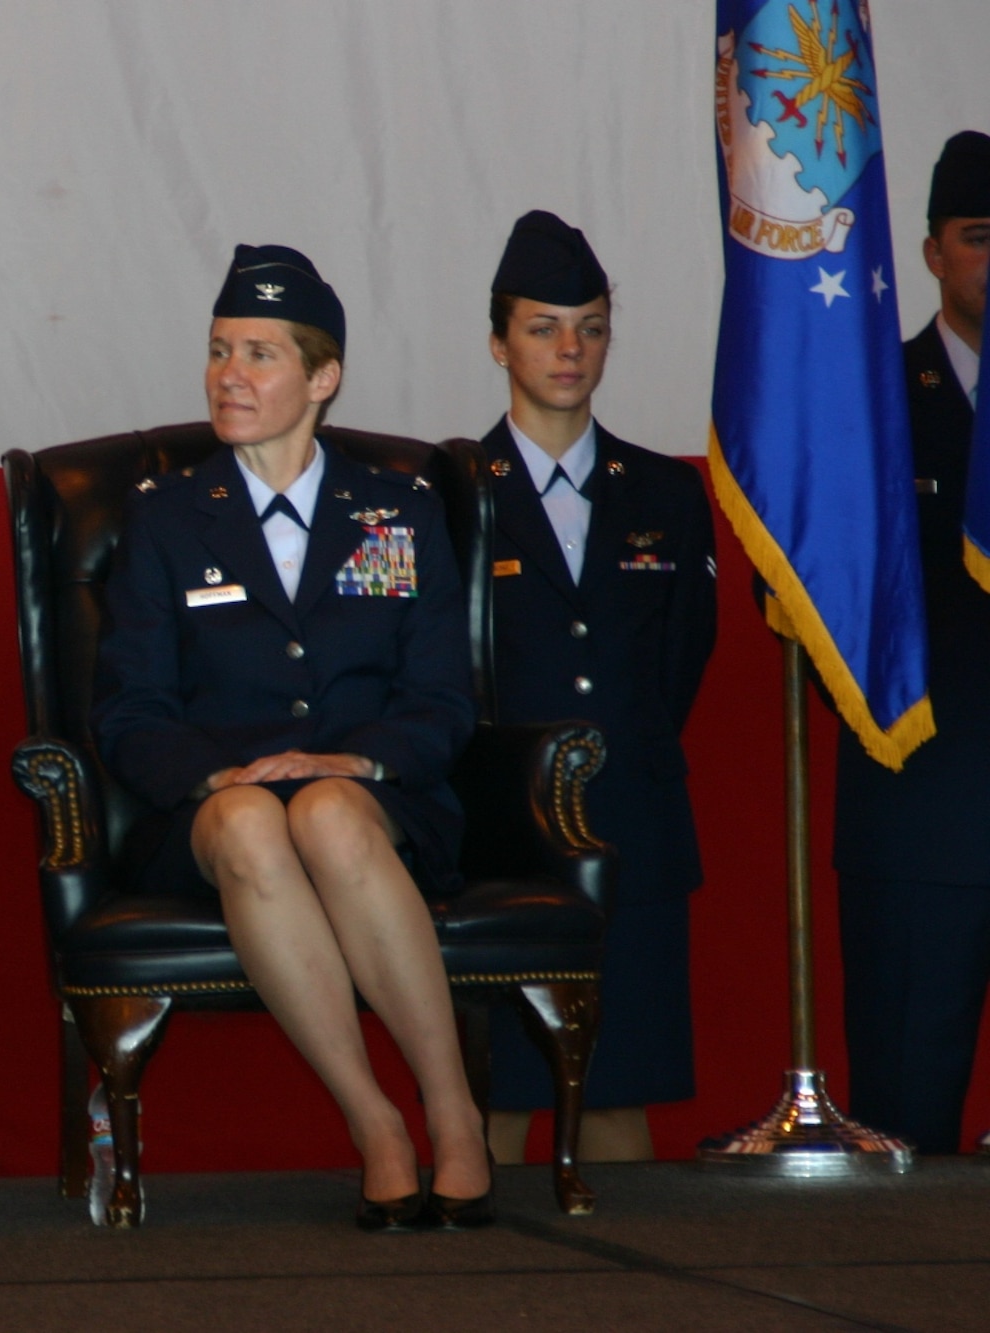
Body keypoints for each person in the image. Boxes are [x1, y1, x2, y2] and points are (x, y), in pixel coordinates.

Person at [91, 244, 492, 1230]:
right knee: (254, 822)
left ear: (322, 377)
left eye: (259, 354)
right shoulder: (164, 519)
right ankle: (373, 1122)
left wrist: (353, 760)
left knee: (323, 812)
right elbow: (128, 710)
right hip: (209, 806)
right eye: (219, 349)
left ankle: (452, 1112)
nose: (229, 374)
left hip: (372, 794)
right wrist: (218, 774)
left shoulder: (395, 509)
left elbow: (442, 698)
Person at [473, 213, 718, 1168]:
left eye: (591, 325)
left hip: (635, 833)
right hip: (494, 845)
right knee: (486, 1116)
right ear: (499, 341)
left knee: (618, 1113)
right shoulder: (449, 491)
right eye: (543, 326)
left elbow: (679, 662)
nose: (569, 348)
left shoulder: (664, 492)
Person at [833, 130, 990, 1156]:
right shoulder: (867, 405)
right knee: (907, 1121)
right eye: (977, 237)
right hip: (922, 796)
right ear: (930, 253)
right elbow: (828, 608)